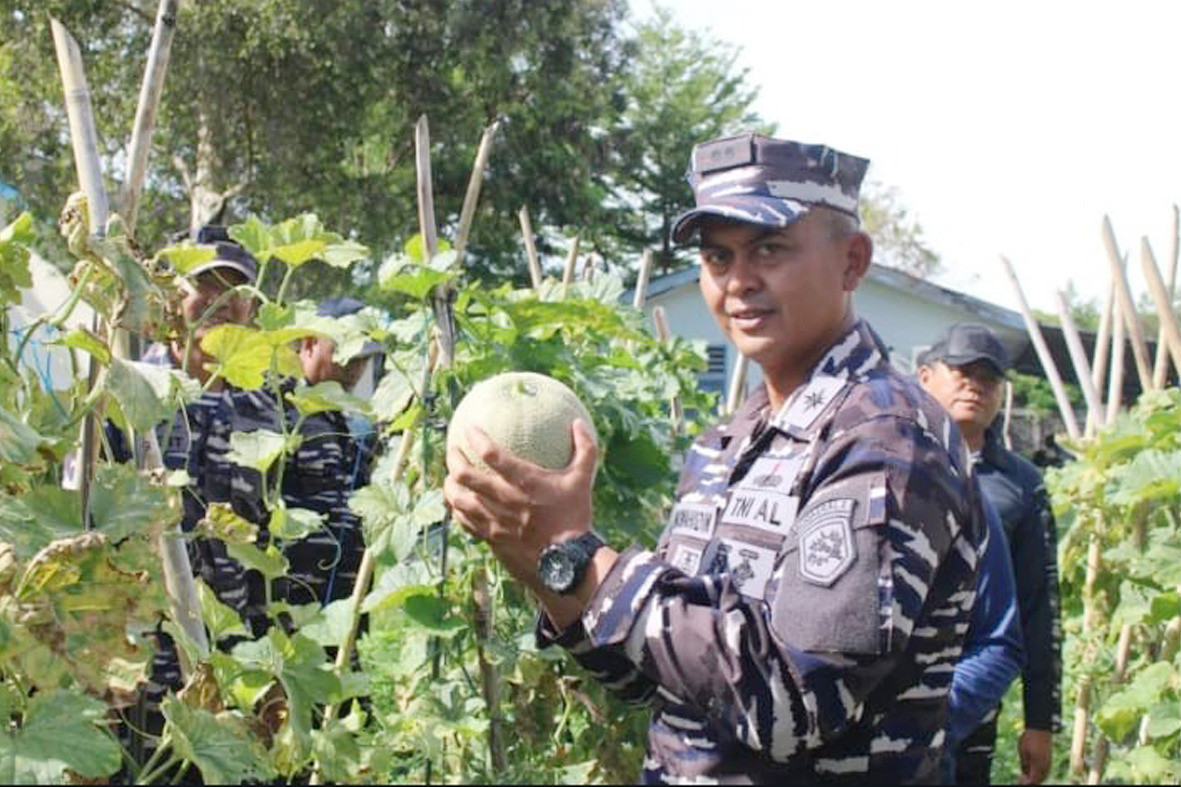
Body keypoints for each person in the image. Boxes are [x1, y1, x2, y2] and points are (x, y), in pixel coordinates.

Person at [444, 133, 988, 782]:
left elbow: (792, 702)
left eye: (769, 249)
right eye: (716, 256)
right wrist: (541, 564)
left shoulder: (885, 438)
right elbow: (655, 675)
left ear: (851, 261)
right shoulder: (727, 441)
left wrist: (577, 553)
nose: (738, 282)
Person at [917, 324, 1062, 785]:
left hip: (972, 692)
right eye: (962, 371)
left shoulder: (1019, 484)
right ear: (925, 378)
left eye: (989, 378)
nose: (975, 386)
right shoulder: (889, 460)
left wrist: (1041, 720)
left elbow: (1040, 605)